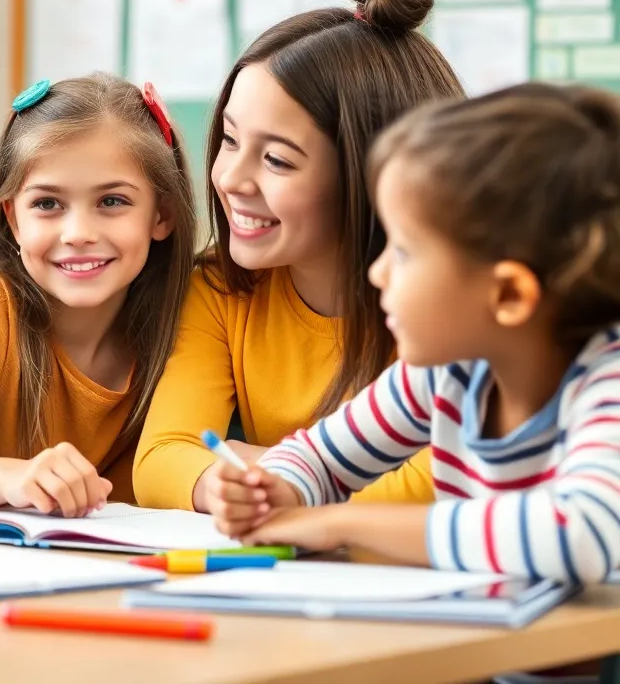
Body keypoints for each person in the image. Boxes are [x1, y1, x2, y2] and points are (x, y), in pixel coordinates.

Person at [207, 81, 620, 592]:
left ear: (509, 295)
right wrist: (278, 490)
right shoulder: (446, 376)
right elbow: (320, 459)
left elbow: (581, 534)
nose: (377, 273)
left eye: (403, 252)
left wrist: (338, 523)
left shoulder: (606, 386)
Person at [133, 0, 464, 512]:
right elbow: (163, 459)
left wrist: (266, 471)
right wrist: (238, 485)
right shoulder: (222, 287)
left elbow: (443, 482)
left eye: (278, 160)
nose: (229, 177)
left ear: (372, 177)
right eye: (230, 140)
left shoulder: (454, 305)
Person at [0, 74, 197, 515]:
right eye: (48, 204)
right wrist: (15, 477)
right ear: (13, 219)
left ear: (161, 214)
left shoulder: (188, 315)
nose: (78, 234)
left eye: (112, 202)